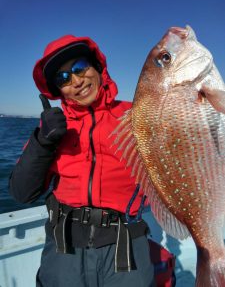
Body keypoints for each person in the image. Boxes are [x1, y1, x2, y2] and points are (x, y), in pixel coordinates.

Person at [9, 34, 155, 287]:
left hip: (126, 248)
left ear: (97, 67)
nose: (77, 81)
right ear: (57, 90)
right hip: (64, 248)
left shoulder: (137, 116)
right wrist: (42, 141)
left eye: (79, 68)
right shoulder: (52, 130)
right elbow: (22, 193)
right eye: (63, 78)